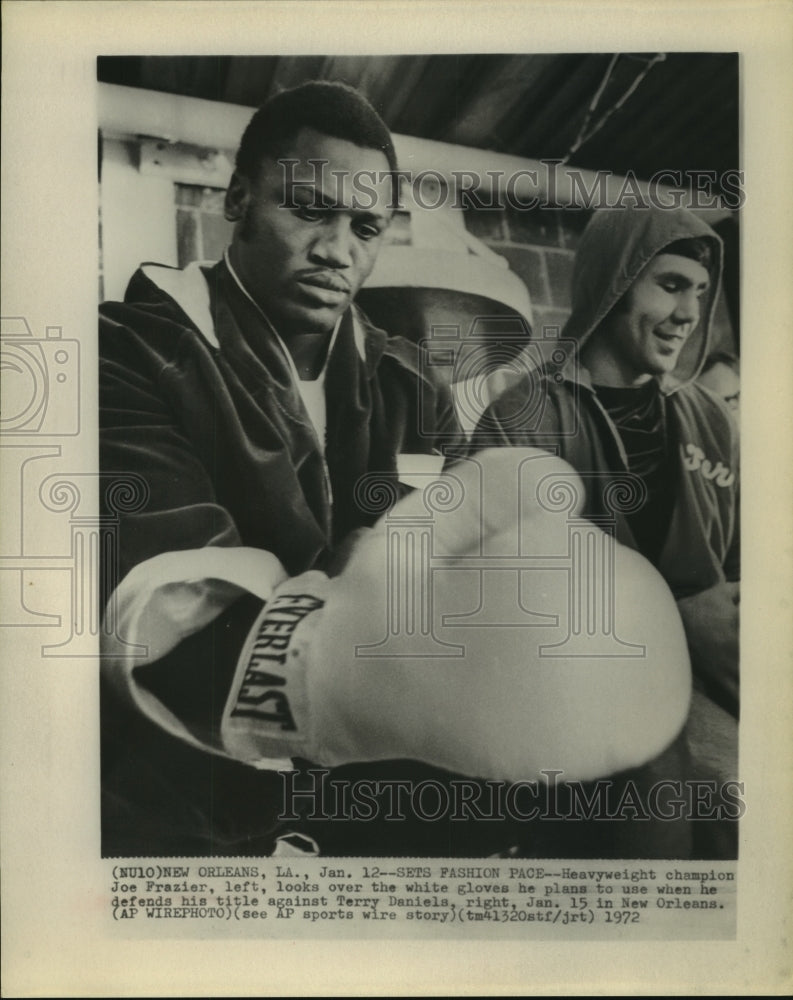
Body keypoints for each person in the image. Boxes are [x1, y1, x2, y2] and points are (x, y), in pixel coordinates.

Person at [99, 84, 694, 858]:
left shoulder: (409, 384)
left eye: (364, 226)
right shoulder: (129, 350)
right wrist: (337, 649)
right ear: (238, 199)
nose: (336, 249)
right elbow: (158, 614)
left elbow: (447, 566)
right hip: (201, 802)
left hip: (371, 784)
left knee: (619, 736)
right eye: (309, 210)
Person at [473, 205, 740, 856]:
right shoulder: (523, 417)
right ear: (614, 283)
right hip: (585, 693)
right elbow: (506, 606)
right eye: (669, 285)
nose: (688, 313)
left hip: (710, 683)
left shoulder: (710, 419)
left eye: (700, 292)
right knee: (722, 788)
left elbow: (742, 569)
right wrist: (677, 619)